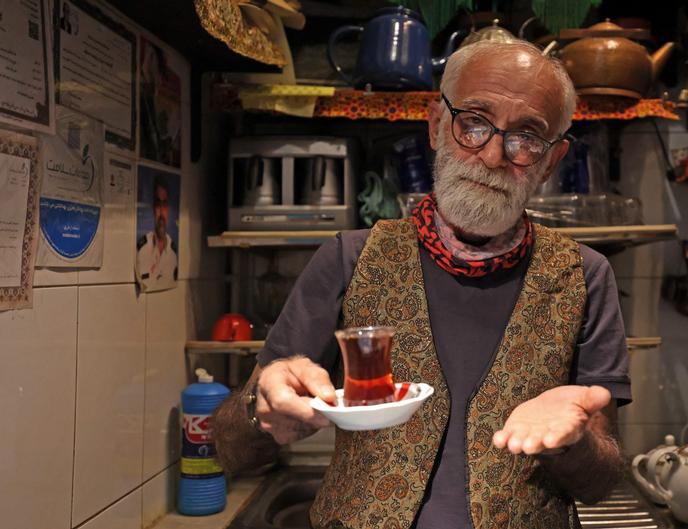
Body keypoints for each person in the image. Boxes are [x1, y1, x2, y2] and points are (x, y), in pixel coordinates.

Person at [212, 39, 631, 529]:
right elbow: (229, 448)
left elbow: (601, 482)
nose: (494, 155)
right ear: (435, 126)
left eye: (526, 137)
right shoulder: (350, 258)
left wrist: (575, 442)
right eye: (473, 122)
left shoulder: (584, 275)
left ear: (551, 161)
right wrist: (261, 410)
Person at [136, 175, 177, 291]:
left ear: (168, 209)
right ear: (153, 208)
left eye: (164, 204)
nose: (161, 213)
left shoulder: (174, 254)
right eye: (158, 204)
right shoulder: (142, 249)